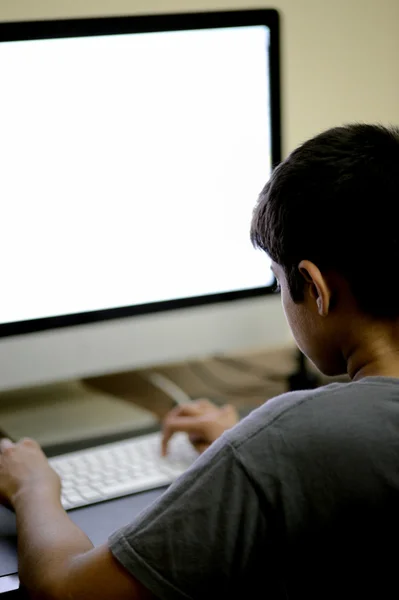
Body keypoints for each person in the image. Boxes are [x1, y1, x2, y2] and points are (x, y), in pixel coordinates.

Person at [1, 123, 399, 599]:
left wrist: (33, 488)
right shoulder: (298, 445)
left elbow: (68, 592)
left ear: (314, 288)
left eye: (277, 280)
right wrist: (248, 450)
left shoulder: (291, 439)